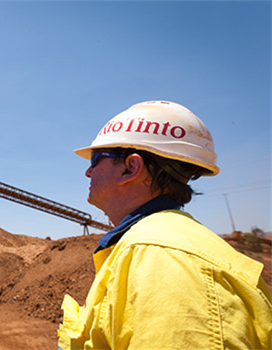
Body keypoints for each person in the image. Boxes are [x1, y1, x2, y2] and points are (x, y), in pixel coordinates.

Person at [57, 101, 272, 350]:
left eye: (95, 160)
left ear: (130, 168)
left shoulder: (164, 260)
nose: (87, 171)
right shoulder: (152, 248)